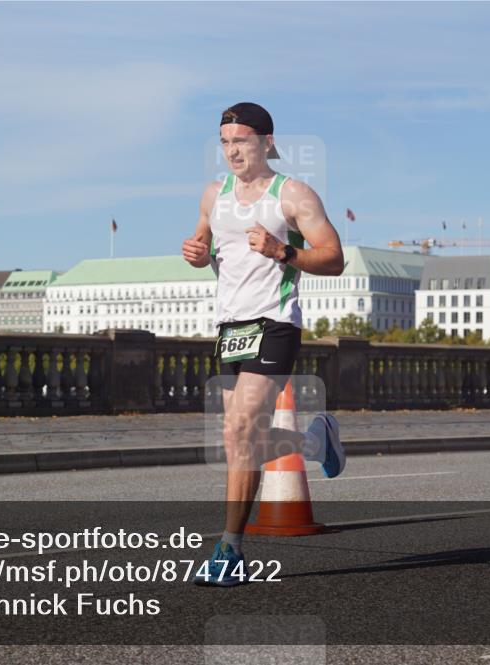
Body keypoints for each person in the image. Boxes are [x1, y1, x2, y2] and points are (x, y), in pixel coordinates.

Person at [182, 102, 346, 586]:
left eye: (242, 141)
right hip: (230, 327)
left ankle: (229, 550)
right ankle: (314, 441)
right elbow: (203, 245)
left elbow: (333, 258)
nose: (232, 151)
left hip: (275, 323)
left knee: (237, 433)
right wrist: (194, 253)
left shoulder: (292, 194)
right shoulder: (214, 195)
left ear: (267, 142)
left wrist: (284, 251)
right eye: (225, 142)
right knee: (241, 442)